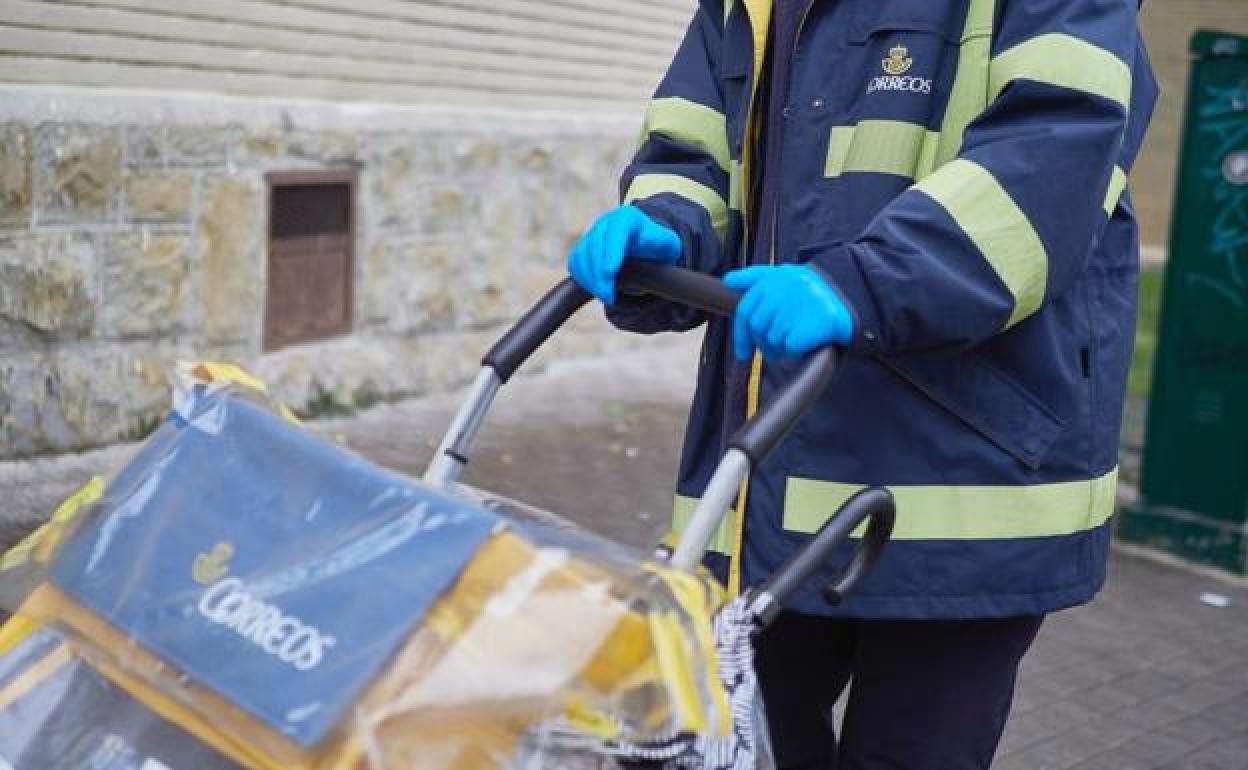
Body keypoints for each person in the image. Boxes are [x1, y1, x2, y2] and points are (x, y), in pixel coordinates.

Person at [567, 0, 1157, 768]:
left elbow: (1053, 160)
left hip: (963, 488)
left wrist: (865, 283)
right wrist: (666, 226)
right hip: (772, 480)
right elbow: (693, 149)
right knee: (740, 744)